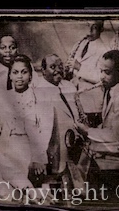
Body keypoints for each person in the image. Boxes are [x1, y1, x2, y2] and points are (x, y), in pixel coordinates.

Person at [0, 54, 52, 187]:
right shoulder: (2, 98)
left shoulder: (39, 98)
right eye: (15, 72)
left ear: (30, 75)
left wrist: (38, 159)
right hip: (5, 148)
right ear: (10, 75)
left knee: (26, 191)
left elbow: (44, 132)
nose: (19, 76)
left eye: (24, 72)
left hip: (28, 151)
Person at [34, 53, 79, 183]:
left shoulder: (69, 86)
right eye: (52, 67)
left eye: (60, 66)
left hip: (73, 141)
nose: (58, 70)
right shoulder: (37, 90)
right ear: (43, 71)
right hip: (54, 145)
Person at [82, 49, 119, 144]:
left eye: (107, 72)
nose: (102, 77)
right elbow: (108, 124)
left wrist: (88, 131)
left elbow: (116, 135)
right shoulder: (113, 84)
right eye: (101, 71)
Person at [65, 21, 109, 125]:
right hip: (77, 97)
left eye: (94, 27)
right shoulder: (81, 43)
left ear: (101, 29)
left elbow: (102, 77)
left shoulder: (104, 49)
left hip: (92, 102)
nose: (89, 30)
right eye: (88, 25)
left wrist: (79, 67)